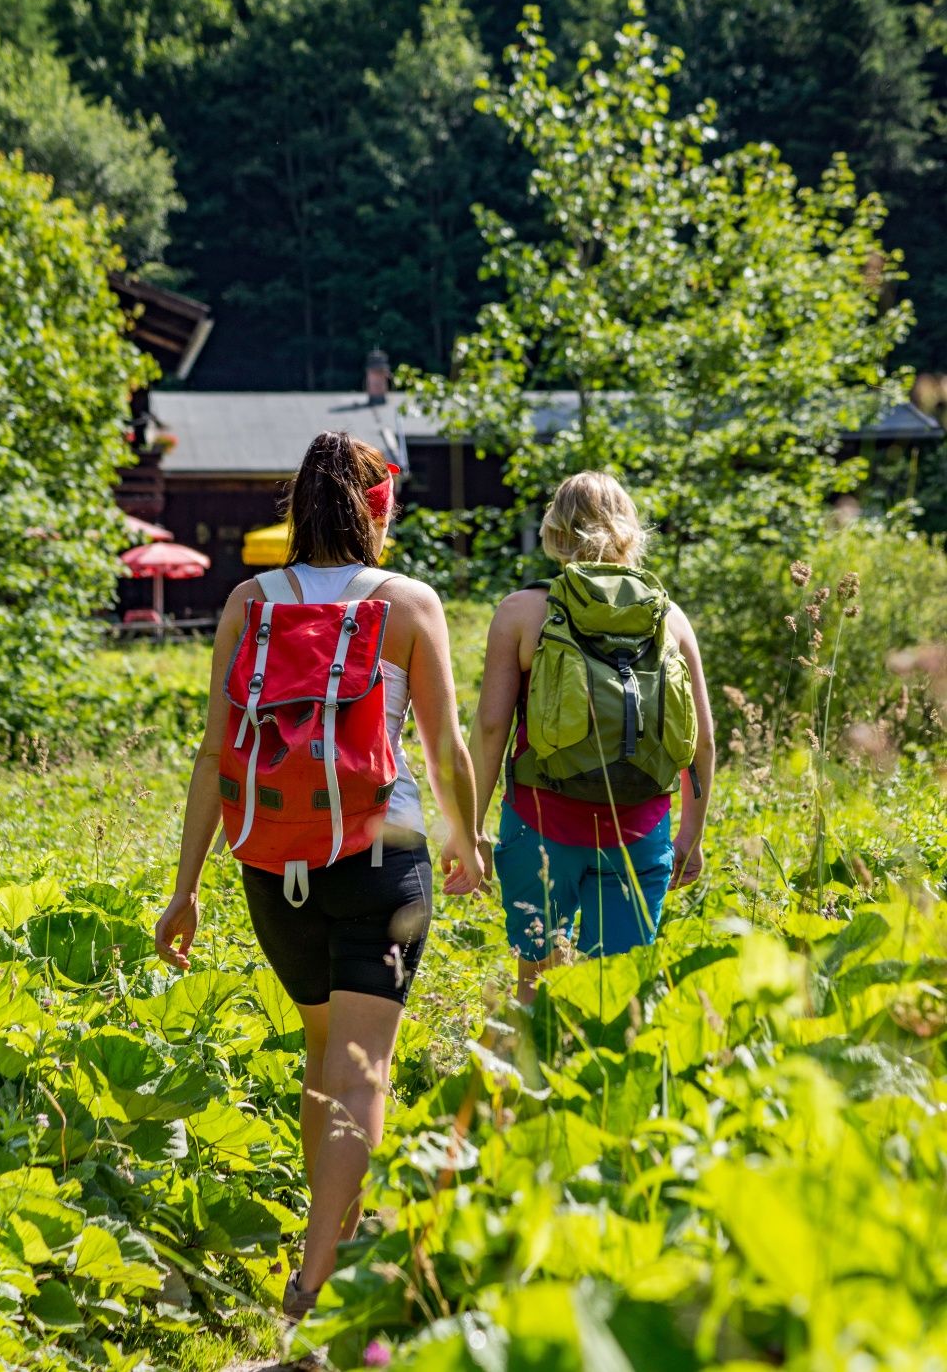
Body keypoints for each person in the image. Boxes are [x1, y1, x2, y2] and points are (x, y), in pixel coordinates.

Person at [153, 431, 485, 1317]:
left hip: (274, 865)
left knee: (321, 1053)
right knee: (362, 1068)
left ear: (297, 508)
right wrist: (467, 839)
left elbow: (216, 754)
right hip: (383, 856)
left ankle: (318, 1247)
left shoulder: (248, 602)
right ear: (380, 509)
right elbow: (445, 743)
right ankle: (321, 1279)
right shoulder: (409, 602)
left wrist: (185, 889)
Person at [443, 471, 714, 1006]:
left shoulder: (522, 612)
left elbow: (492, 728)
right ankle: (609, 1084)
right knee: (621, 998)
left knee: (536, 989)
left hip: (539, 829)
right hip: (640, 831)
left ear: (553, 533)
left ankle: (537, 1082)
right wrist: (692, 834)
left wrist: (468, 827)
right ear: (631, 532)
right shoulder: (669, 616)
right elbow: (701, 738)